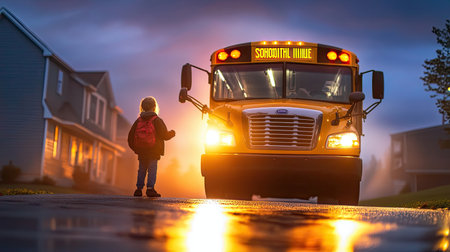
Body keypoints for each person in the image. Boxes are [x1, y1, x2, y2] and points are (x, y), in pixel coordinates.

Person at [128, 96, 175, 197]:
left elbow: (130, 137)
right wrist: (172, 133)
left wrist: (136, 148)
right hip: (154, 150)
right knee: (152, 169)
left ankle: (138, 189)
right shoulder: (157, 120)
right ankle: (150, 189)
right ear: (154, 107)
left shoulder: (138, 121)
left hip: (142, 151)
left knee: (141, 169)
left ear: (142, 107)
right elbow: (164, 135)